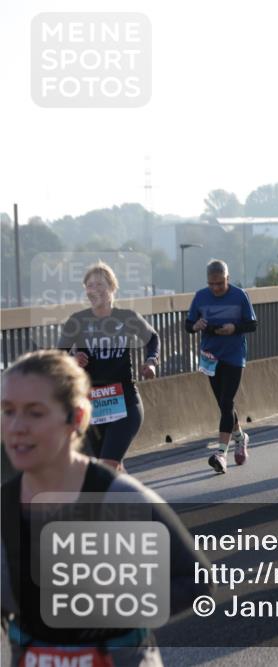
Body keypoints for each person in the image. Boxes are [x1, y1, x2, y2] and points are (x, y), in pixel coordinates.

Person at [1, 350, 212, 666]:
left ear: (75, 418)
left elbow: (195, 580)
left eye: (35, 413)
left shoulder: (117, 496)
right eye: (7, 411)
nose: (17, 426)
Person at [57, 262, 159, 471]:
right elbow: (58, 356)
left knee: (107, 465)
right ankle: (127, 492)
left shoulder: (127, 317)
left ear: (112, 287)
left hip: (126, 401)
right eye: (90, 285)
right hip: (92, 406)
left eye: (100, 284)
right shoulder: (77, 321)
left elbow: (153, 338)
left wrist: (151, 361)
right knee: (110, 468)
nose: (95, 290)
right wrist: (73, 359)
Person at [186, 260, 257, 474]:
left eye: (220, 283)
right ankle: (240, 437)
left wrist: (234, 328)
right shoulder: (200, 296)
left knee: (227, 402)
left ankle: (221, 454)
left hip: (234, 355)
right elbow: (188, 325)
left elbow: (252, 324)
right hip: (211, 356)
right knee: (223, 404)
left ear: (228, 278)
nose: (216, 288)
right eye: (211, 284)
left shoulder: (240, 295)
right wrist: (196, 325)